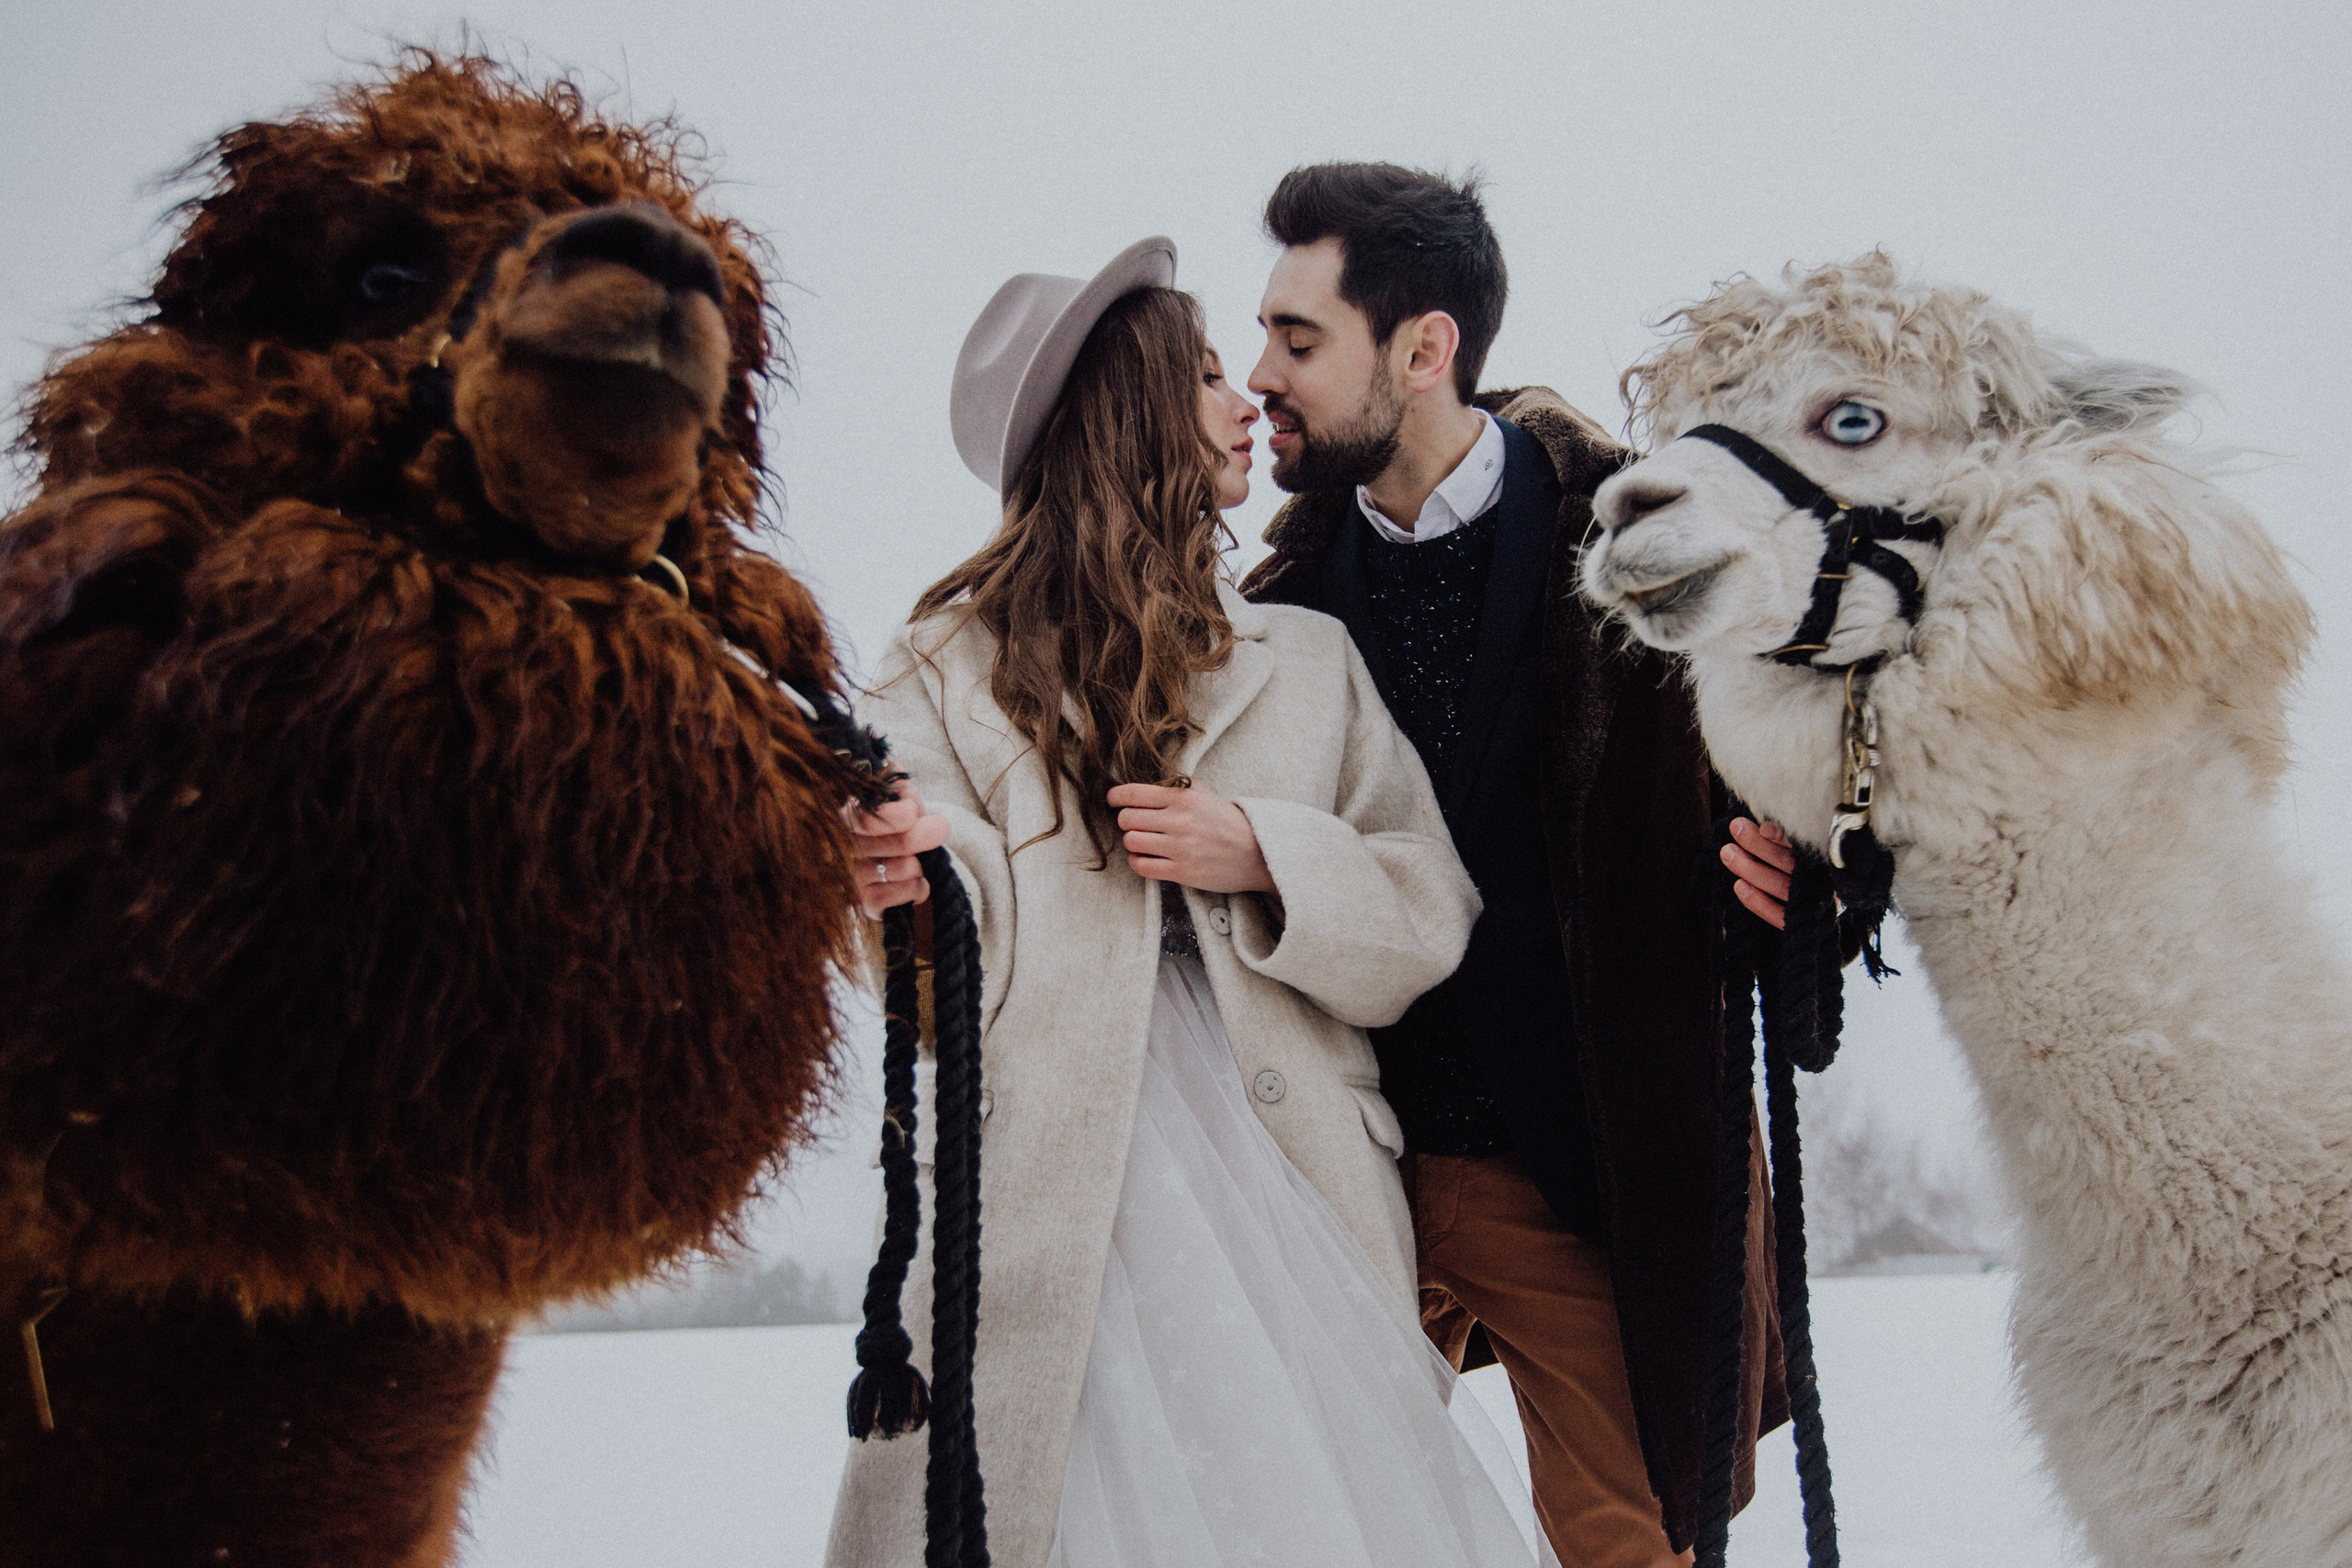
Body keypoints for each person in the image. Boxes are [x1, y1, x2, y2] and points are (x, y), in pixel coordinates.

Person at [826, 238, 1555, 1568]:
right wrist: (911, 867)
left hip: (1297, 1207)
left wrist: (1265, 853)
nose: (1246, 404)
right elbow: (937, 949)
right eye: (1208, 373)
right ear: (1123, 414)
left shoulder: (1308, 655)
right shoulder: (941, 664)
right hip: (1050, 1189)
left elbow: (1425, 909)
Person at [1236, 163, 1796, 1568]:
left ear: (1424, 350)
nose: (1260, 375)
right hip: (1342, 1157)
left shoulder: (1644, 537)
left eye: (1300, 341)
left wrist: (1816, 889)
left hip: (1582, 1166)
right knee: (1271, 1521)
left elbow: (1815, 751)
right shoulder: (1275, 609)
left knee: (1630, 1545)